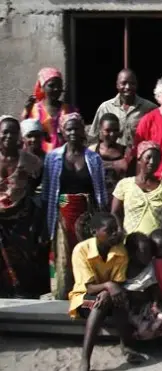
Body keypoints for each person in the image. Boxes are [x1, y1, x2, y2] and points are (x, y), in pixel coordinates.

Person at [42, 113, 107, 300]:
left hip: (87, 216)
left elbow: (100, 191)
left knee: (86, 256)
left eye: (76, 128)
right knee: (63, 257)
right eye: (68, 128)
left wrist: (101, 218)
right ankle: (63, 295)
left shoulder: (93, 159)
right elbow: (47, 193)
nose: (72, 132)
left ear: (83, 131)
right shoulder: (53, 158)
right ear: (62, 131)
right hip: (61, 215)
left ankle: (86, 295)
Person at [67, 213, 144, 371]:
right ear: (95, 232)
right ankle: (86, 359)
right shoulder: (81, 250)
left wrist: (109, 288)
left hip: (110, 297)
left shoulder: (119, 250)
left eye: (116, 229)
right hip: (83, 300)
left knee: (113, 298)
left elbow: (119, 281)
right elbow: (88, 287)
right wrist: (108, 286)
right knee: (99, 302)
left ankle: (126, 346)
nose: (115, 233)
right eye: (109, 230)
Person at [0, 116, 44, 298]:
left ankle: (22, 291)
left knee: (22, 258)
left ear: (19, 136)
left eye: (13, 132)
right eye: (5, 132)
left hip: (21, 219)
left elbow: (36, 187)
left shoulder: (31, 161)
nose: (9, 136)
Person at [111, 141, 162, 248]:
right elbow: (115, 212)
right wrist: (121, 233)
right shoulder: (124, 184)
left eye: (156, 158)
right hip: (132, 244)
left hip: (159, 246)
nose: (152, 162)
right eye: (148, 157)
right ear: (139, 159)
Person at [87, 69, 157, 148]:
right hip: (112, 157)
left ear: (137, 85)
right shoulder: (105, 107)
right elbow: (93, 137)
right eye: (123, 83)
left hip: (139, 157)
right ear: (117, 85)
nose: (128, 87)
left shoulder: (149, 108)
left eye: (132, 84)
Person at [123, 232, 162, 340]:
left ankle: (152, 328)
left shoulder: (149, 267)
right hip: (131, 306)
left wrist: (155, 303)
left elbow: (153, 287)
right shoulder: (124, 268)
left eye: (150, 252)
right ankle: (141, 333)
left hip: (147, 305)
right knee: (139, 323)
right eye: (144, 252)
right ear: (132, 254)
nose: (149, 255)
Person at [22, 67, 77, 153]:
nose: (56, 89)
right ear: (42, 87)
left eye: (59, 86)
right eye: (51, 85)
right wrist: (26, 111)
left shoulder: (70, 110)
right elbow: (24, 133)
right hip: (39, 158)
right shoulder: (33, 110)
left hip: (63, 158)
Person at [89, 113, 131, 197]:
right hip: (97, 202)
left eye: (115, 130)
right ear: (100, 130)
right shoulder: (92, 151)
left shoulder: (127, 152)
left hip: (121, 201)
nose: (112, 134)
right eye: (108, 130)